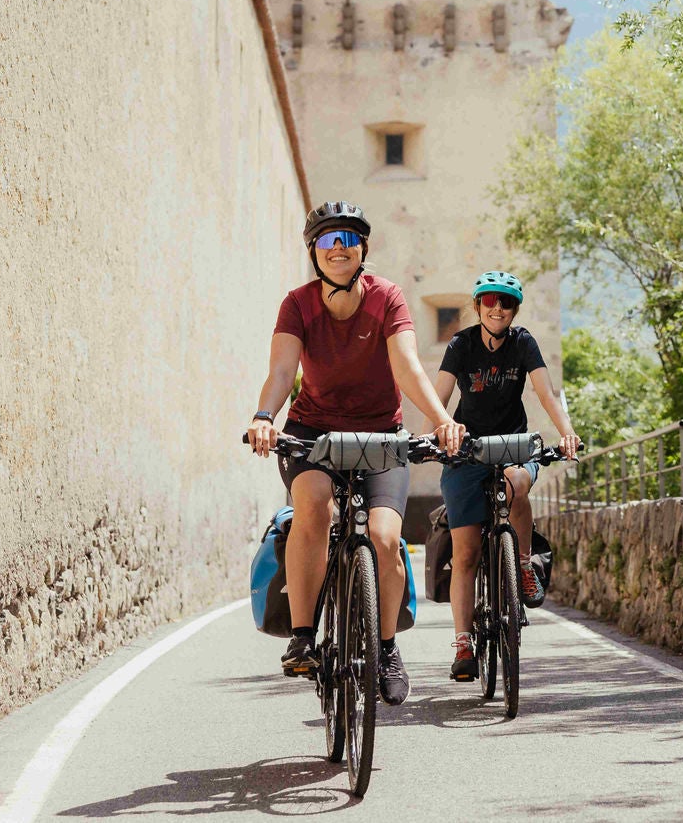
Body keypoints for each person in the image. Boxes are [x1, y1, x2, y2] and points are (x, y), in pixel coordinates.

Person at [248, 202, 465, 704]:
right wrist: (264, 417)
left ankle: (386, 648)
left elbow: (408, 366)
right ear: (314, 253)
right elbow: (282, 371)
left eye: (348, 238)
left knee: (387, 538)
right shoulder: (297, 304)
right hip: (311, 433)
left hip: (380, 436)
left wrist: (441, 421)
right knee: (315, 506)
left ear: (363, 249)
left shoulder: (387, 297)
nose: (338, 247)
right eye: (327, 240)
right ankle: (304, 636)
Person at [433, 271, 580, 681]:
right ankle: (463, 642)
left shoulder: (523, 342)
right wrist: (443, 428)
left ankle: (524, 562)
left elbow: (546, 392)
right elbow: (439, 398)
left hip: (512, 444)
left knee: (517, 484)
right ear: (478, 305)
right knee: (464, 554)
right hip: (467, 450)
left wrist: (566, 434)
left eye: (507, 302)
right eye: (490, 300)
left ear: (514, 310)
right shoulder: (461, 345)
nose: (498, 308)